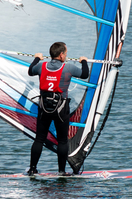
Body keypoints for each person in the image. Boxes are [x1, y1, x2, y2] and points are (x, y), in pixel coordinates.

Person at [26, 42, 90, 176]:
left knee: (39, 139)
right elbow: (85, 74)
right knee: (62, 140)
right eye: (66, 54)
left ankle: (32, 169)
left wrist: (37, 58)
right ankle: (61, 171)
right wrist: (84, 61)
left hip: (44, 107)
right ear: (61, 55)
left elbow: (30, 71)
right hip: (61, 108)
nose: (66, 56)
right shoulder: (68, 68)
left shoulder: (41, 66)